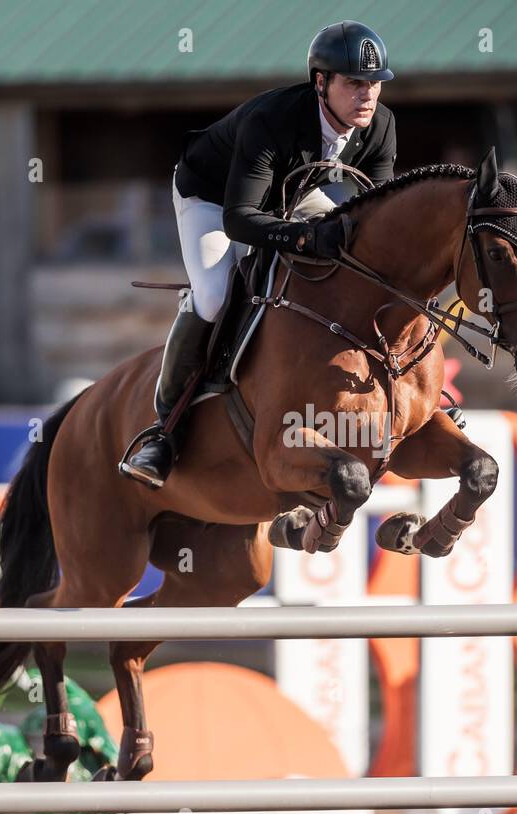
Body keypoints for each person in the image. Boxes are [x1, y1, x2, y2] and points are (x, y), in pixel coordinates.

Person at [121, 20, 398, 488]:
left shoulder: (380, 126)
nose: (367, 95)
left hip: (291, 194)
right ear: (321, 82)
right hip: (212, 198)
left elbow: (380, 215)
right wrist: (308, 240)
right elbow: (241, 221)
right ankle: (164, 430)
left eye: (373, 83)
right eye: (354, 83)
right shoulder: (273, 120)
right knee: (213, 295)